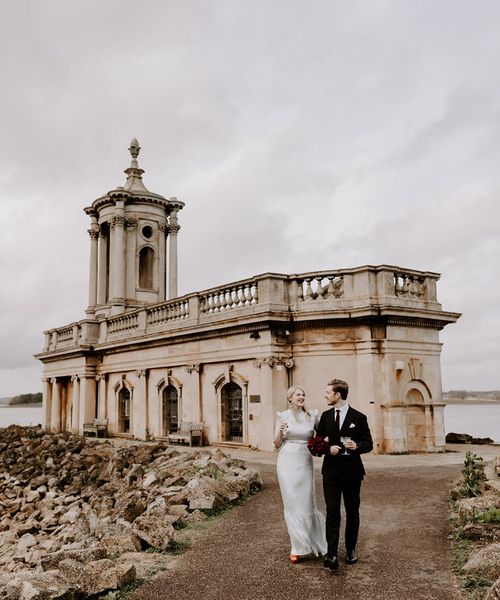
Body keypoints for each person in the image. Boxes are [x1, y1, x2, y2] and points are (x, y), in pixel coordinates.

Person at [315, 379, 373, 572]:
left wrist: (357, 447)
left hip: (352, 472)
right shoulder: (325, 416)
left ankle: (350, 550)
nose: (325, 395)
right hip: (330, 472)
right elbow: (316, 442)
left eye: (327, 392)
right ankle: (331, 554)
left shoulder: (360, 417)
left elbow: (369, 443)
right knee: (332, 512)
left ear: (337, 395)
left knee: (352, 511)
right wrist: (326, 448)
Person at [274, 385, 327, 563]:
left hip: (304, 461)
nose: (301, 396)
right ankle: (296, 547)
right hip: (287, 461)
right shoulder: (283, 416)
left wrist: (321, 446)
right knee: (291, 503)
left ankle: (312, 542)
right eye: (298, 394)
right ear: (290, 398)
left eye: (303, 394)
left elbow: (322, 436)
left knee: (306, 502)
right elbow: (276, 444)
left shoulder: (312, 416)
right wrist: (280, 431)